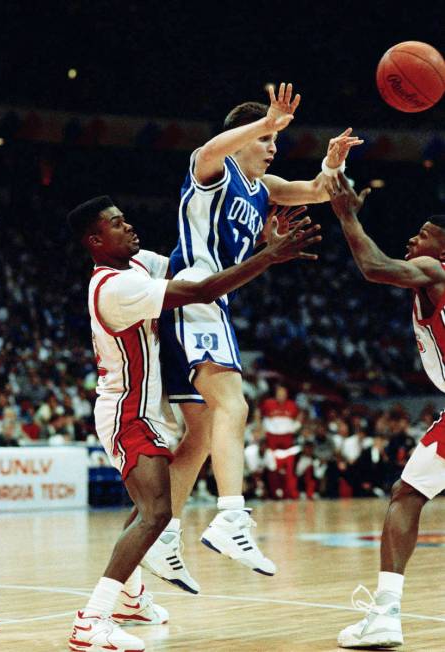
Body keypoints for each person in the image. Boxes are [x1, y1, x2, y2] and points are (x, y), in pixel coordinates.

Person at [66, 195, 321, 652]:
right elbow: (203, 292)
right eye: (118, 225)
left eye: (127, 220)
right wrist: (270, 257)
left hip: (144, 410)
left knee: (150, 507)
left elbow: (197, 268)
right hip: (127, 413)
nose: (130, 228)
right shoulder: (114, 287)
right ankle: (91, 621)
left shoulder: (137, 265)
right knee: (157, 513)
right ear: (95, 241)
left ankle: (129, 598)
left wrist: (255, 243)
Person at [153, 82, 363, 580]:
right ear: (242, 136)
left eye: (274, 142)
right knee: (235, 404)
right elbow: (206, 149)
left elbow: (317, 191)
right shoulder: (214, 169)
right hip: (194, 294)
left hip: (202, 304)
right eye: (266, 141)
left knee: (202, 431)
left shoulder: (263, 190)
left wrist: (333, 163)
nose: (272, 149)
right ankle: (230, 516)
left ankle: (161, 534)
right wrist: (267, 121)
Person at [329, 171, 445, 648]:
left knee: (407, 494)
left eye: (424, 234)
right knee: (407, 491)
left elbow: (374, 266)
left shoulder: (435, 272)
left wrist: (347, 215)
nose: (412, 238)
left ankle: (385, 615)